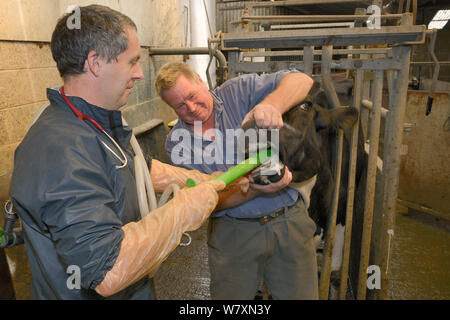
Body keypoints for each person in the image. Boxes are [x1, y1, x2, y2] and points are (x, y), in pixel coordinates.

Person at [8, 5, 226, 300]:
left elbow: (134, 169)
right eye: (132, 62)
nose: (138, 74)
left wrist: (201, 179)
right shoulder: (60, 148)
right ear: (96, 63)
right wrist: (182, 211)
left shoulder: (95, 120)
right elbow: (106, 269)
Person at [156, 62, 319, 299]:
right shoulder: (177, 144)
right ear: (171, 108)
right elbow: (208, 201)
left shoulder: (239, 91)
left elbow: (302, 81)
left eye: (192, 95)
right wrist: (253, 188)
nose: (190, 107)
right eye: (179, 105)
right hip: (232, 232)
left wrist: (271, 104)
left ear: (201, 82)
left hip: (288, 220)